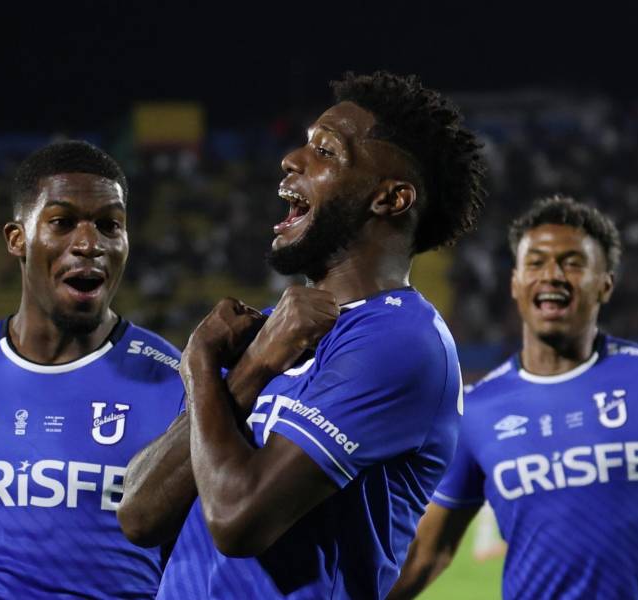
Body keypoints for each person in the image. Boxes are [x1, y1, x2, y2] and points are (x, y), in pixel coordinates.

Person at [117, 71, 487, 599]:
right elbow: (139, 513)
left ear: (390, 198)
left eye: (327, 151)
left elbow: (237, 520)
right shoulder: (269, 333)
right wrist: (248, 371)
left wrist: (201, 363)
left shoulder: (402, 342)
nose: (292, 159)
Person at [0, 140, 185, 598]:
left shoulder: (180, 386)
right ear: (17, 239)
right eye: (63, 222)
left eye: (110, 225)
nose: (89, 244)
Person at [388, 195, 638, 599]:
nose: (553, 275)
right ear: (515, 282)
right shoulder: (477, 410)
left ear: (606, 284)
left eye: (573, 262)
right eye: (536, 261)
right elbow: (427, 551)